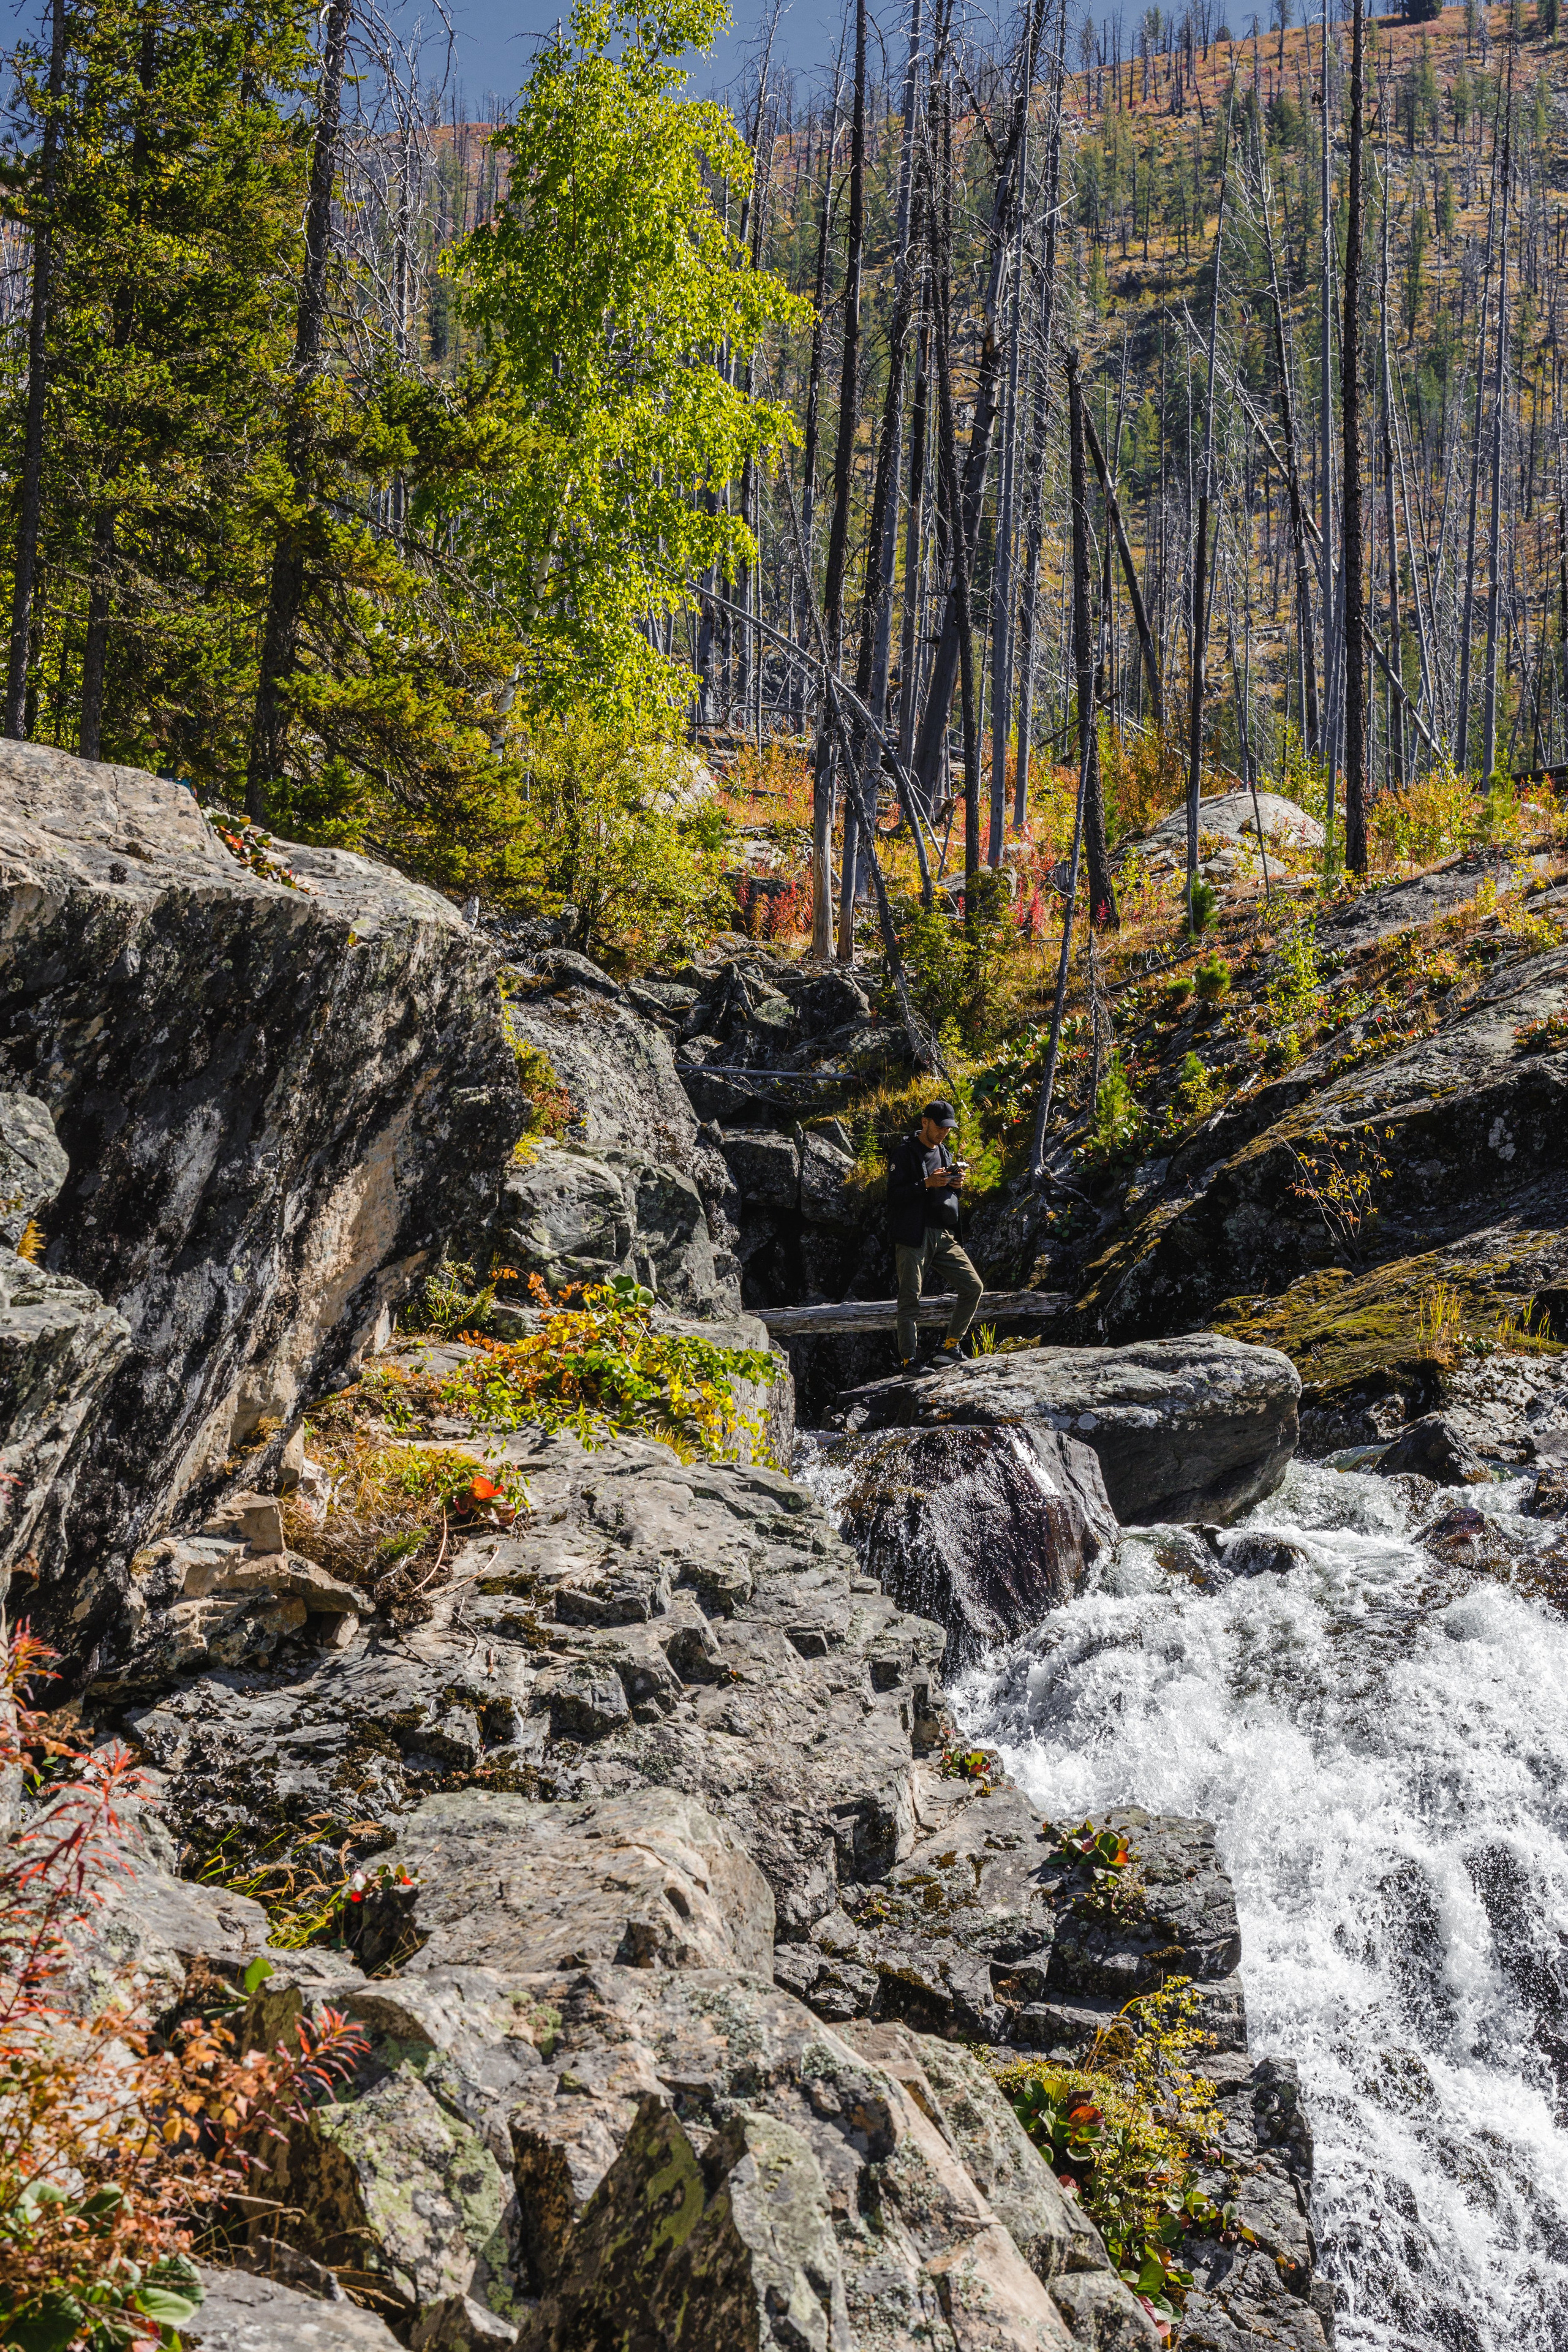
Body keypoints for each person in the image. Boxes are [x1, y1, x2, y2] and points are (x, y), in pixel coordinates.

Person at [886, 1099, 985, 1370]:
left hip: (941, 1234)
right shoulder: (903, 1153)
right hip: (911, 1236)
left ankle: (950, 1347)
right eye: (940, 1127)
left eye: (948, 1129)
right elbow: (893, 1197)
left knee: (973, 1287)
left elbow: (946, 1196)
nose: (944, 1133)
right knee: (910, 1300)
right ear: (925, 1122)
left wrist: (956, 1185)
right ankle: (909, 1362)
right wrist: (927, 1183)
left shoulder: (945, 1153)